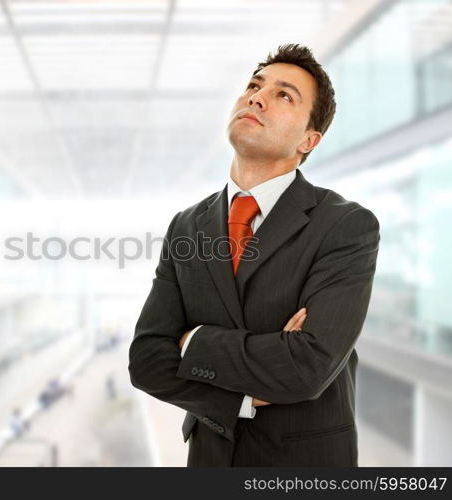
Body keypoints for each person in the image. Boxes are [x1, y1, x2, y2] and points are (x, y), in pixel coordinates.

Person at [127, 44, 380, 467]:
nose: (256, 97)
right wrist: (247, 390)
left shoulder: (345, 226)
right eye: (254, 85)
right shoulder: (187, 226)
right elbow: (147, 360)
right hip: (210, 457)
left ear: (309, 140)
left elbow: (308, 366)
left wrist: (194, 341)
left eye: (284, 95)